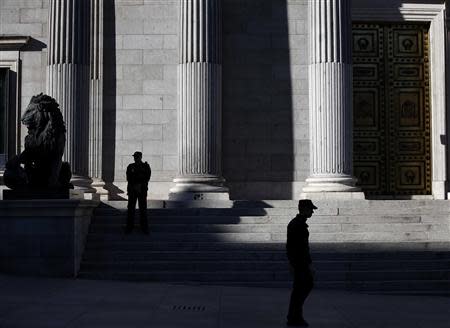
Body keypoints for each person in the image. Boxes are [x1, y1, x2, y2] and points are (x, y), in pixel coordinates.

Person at [286, 199, 317, 327]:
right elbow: (299, 247)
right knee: (302, 288)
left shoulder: (298, 223)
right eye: (311, 209)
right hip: (300, 263)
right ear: (303, 209)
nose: (312, 212)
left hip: (299, 262)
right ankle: (294, 316)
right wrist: (306, 264)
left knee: (300, 289)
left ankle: (294, 316)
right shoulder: (297, 224)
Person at [126, 151, 151, 234]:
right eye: (134, 156)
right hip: (132, 190)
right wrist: (135, 185)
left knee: (143, 209)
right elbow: (129, 177)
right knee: (131, 209)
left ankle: (144, 227)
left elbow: (147, 177)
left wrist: (139, 184)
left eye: (137, 156)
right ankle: (129, 227)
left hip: (142, 190)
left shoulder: (145, 166)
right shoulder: (130, 166)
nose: (135, 158)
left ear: (140, 157)